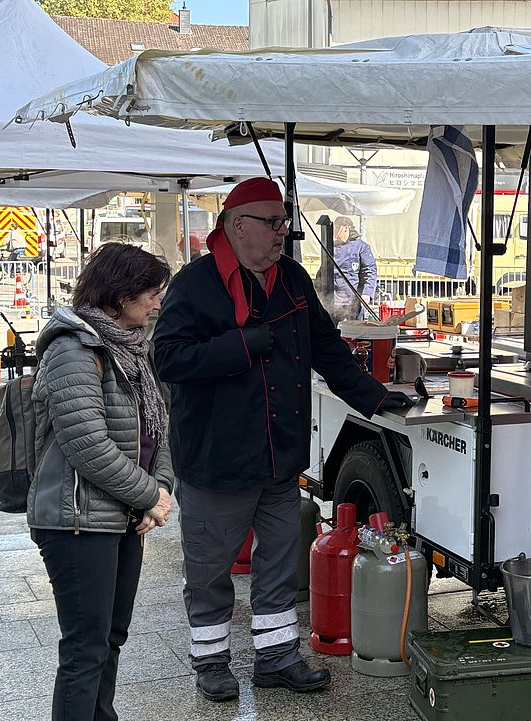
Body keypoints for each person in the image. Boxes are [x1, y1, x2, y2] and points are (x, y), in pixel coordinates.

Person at [152, 177, 413, 702]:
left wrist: (376, 398)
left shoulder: (291, 279)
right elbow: (169, 359)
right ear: (237, 225)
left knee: (277, 564)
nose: (282, 232)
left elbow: (327, 348)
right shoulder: (194, 285)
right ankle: (210, 660)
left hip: (277, 456)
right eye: (272, 222)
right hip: (216, 460)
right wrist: (240, 345)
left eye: (283, 222)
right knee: (208, 571)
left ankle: (275, 657)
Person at [29, 243, 174, 721]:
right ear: (120, 293)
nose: (157, 303)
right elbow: (88, 446)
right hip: (76, 519)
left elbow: (158, 429)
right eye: (151, 293)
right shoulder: (74, 349)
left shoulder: (131, 350)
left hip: (119, 516)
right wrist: (149, 494)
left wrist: (162, 487)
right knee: (85, 647)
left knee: (110, 637)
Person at [327, 215, 377, 323]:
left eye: (337, 228)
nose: (335, 232)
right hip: (334, 299)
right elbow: (324, 271)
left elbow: (370, 270)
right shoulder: (331, 247)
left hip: (354, 300)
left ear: (346, 228)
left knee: (355, 332)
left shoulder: (361, 247)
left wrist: (367, 293)